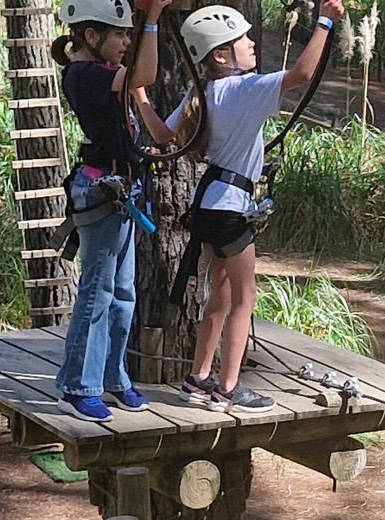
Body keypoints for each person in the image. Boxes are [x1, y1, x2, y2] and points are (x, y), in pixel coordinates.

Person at [153, 1, 344, 413]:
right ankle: (228, 387)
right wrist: (324, 21)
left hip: (207, 205)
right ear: (221, 55)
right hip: (229, 207)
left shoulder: (200, 91)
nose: (253, 43)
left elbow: (162, 133)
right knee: (244, 299)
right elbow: (303, 75)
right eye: (243, 40)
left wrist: (136, 92)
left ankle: (199, 378)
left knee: (218, 297)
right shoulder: (244, 88)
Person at [51, 0, 170, 422]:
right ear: (90, 37)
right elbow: (145, 75)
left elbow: (139, 81)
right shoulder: (83, 75)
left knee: (123, 293)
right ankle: (78, 384)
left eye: (127, 33)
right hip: (102, 190)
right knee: (98, 292)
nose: (126, 41)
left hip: (121, 190)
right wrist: (151, 19)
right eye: (120, 34)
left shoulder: (104, 75)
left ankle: (113, 376)